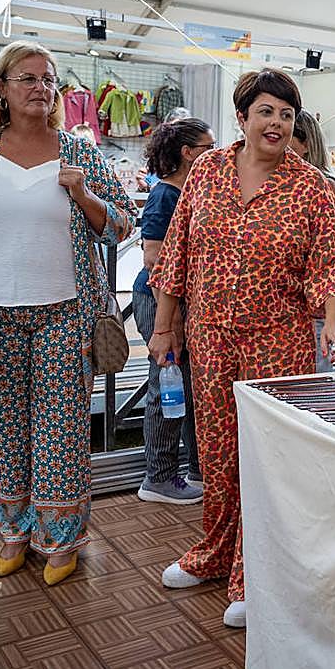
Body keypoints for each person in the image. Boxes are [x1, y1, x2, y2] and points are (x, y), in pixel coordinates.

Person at [0, 41, 137, 586]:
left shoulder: (80, 153)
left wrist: (85, 195)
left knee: (62, 432)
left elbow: (121, 225)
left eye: (49, 80)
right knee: (11, 431)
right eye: (28, 78)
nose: (41, 88)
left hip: (66, 314)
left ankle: (61, 539)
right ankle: (15, 533)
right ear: (1, 87)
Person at [147, 67, 335, 629]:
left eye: (286, 114)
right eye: (266, 111)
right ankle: (214, 552)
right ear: (242, 117)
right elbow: (177, 256)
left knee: (263, 456)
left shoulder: (312, 187)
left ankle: (252, 569)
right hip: (208, 335)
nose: (277, 123)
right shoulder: (207, 171)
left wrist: (333, 322)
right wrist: (164, 327)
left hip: (277, 340)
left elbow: (330, 263)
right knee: (214, 450)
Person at [132, 118, 214, 504]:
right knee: (166, 385)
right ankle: (159, 476)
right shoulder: (166, 195)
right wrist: (173, 320)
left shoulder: (195, 192)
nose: (215, 154)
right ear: (187, 153)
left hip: (182, 302)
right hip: (161, 301)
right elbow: (154, 258)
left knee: (187, 387)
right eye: (207, 147)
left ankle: (195, 470)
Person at [290, 108, 335, 372]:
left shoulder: (325, 184)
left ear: (305, 144)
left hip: (312, 310)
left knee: (310, 388)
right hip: (287, 312)